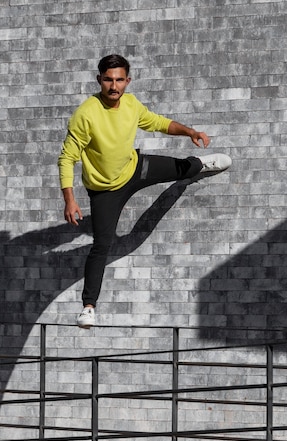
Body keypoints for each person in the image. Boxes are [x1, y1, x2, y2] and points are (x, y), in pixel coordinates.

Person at [58, 54, 231, 329]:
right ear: (99, 80)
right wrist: (69, 199)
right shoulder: (85, 114)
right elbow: (67, 158)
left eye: (119, 80)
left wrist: (189, 131)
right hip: (105, 190)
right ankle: (89, 307)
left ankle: (201, 165)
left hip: (134, 167)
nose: (113, 86)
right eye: (107, 80)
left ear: (127, 81)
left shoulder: (131, 104)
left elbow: (158, 122)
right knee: (101, 246)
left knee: (178, 168)